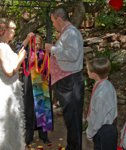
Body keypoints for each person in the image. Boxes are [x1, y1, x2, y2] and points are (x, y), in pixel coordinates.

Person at [45, 7, 85, 150]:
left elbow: (72, 55)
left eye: (53, 21)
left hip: (70, 82)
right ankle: (72, 146)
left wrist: (53, 49)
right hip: (67, 81)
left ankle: (75, 147)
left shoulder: (71, 33)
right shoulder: (67, 33)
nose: (53, 24)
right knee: (70, 119)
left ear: (59, 19)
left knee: (73, 119)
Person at [21, 34, 53, 146]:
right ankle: (28, 137)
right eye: (35, 44)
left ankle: (44, 136)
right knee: (29, 111)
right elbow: (19, 49)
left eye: (39, 44)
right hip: (29, 83)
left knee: (43, 109)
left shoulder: (44, 54)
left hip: (41, 83)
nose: (38, 46)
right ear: (31, 44)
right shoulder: (27, 54)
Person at [0, 18, 26, 149]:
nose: (14, 32)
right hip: (5, 92)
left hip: (11, 90)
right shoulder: (0, 47)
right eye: (12, 29)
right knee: (7, 127)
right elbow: (9, 71)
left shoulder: (6, 46)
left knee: (13, 125)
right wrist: (20, 59)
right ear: (3, 30)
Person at [86, 57, 118, 150]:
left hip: (102, 131)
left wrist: (90, 132)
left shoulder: (102, 93)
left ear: (94, 74)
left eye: (87, 70)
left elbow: (98, 116)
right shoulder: (105, 84)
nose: (86, 71)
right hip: (104, 128)